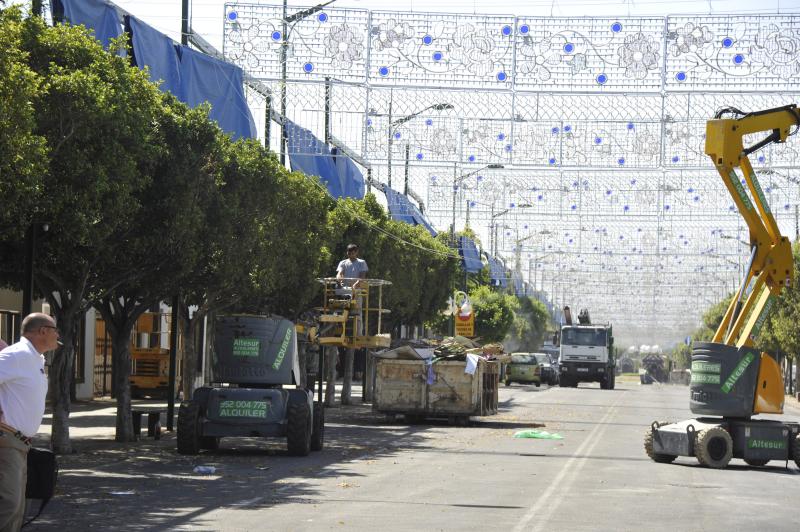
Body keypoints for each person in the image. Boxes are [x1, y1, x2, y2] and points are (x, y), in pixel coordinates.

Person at [0, 313, 56, 531]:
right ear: (43, 331)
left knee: (17, 505)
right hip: (7, 439)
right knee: (9, 503)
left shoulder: (34, 358)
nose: (58, 335)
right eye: (55, 330)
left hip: (20, 442)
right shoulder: (19, 355)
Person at [336, 244, 369, 336]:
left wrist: (356, 284)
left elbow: (362, 276)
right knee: (340, 312)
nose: (350, 254)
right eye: (349, 252)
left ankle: (358, 334)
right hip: (345, 291)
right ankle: (340, 333)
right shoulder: (343, 262)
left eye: (352, 253)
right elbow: (339, 273)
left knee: (357, 313)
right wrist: (339, 280)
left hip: (357, 291)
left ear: (356, 252)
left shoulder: (361, 262)